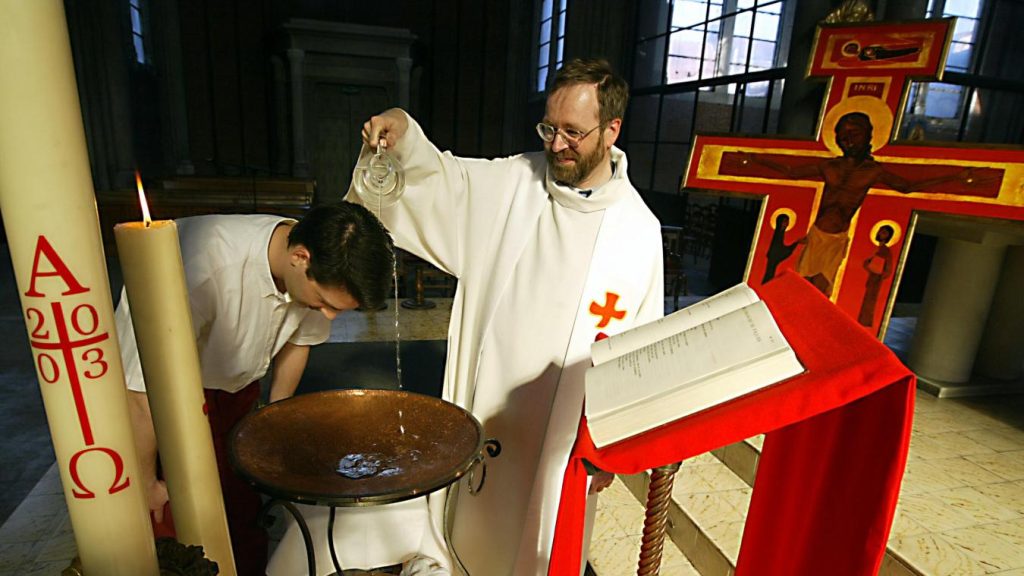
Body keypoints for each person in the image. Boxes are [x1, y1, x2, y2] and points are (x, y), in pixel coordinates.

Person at [271, 58, 663, 575]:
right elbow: (446, 183)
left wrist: (614, 442)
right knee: (469, 527)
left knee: (541, 541)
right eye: (549, 127)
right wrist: (404, 136)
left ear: (612, 129)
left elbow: (642, 351)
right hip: (487, 416)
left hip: (562, 438)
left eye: (573, 132)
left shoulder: (637, 233)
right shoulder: (517, 183)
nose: (557, 144)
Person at [116, 202, 395, 576]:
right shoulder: (203, 268)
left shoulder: (316, 261)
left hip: (236, 388)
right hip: (171, 400)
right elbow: (139, 390)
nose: (329, 316)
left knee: (242, 506)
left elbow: (300, 341)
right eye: (326, 304)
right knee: (182, 519)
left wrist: (274, 417)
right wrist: (146, 481)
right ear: (300, 257)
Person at [743, 112, 974, 296]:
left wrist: (953, 178)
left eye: (854, 133)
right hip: (817, 235)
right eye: (842, 134)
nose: (847, 139)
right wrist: (758, 159)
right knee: (801, 286)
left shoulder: (873, 171)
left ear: (869, 136)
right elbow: (791, 172)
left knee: (821, 290)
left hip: (837, 239)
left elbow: (908, 186)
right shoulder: (829, 166)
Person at [858, 224, 894, 328]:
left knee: (870, 300)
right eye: (881, 231)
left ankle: (865, 321)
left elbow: (888, 269)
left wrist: (878, 273)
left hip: (876, 279)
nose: (882, 234)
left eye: (885, 233)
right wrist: (868, 265)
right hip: (869, 277)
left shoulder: (886, 250)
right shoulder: (875, 247)